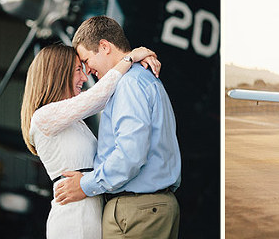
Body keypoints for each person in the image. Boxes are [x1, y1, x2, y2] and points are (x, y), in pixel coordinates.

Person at [54, 16, 182, 239]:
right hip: (142, 209)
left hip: (138, 212)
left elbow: (130, 155)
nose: (87, 70)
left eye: (86, 60)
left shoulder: (130, 84)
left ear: (104, 47)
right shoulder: (136, 80)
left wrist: (85, 185)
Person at [21, 44, 159, 238]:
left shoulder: (74, 121)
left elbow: (103, 96)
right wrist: (130, 58)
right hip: (73, 220)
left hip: (89, 216)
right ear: (58, 73)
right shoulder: (43, 117)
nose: (85, 78)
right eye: (78, 70)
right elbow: (99, 95)